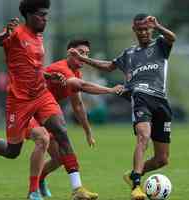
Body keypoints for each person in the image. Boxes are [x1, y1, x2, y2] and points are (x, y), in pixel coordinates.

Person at [0, 1, 85, 200]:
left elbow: (33, 68)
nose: (45, 18)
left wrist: (49, 77)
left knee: (60, 132)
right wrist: (4, 35)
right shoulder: (15, 33)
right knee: (13, 151)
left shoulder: (39, 36)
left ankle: (74, 189)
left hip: (41, 95)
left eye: (46, 15)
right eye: (40, 15)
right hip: (19, 101)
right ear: (28, 15)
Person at [69, 13, 176, 200]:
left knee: (162, 159)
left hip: (161, 101)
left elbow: (172, 38)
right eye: (140, 29)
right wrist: (84, 59)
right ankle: (136, 186)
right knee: (144, 136)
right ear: (134, 30)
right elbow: (108, 66)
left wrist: (158, 26)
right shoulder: (129, 53)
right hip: (140, 98)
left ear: (151, 29)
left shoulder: (160, 44)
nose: (144, 32)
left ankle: (132, 174)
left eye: (147, 29)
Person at [27, 39, 124, 199]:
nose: (84, 57)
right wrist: (110, 90)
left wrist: (88, 131)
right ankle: (34, 190)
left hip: (46, 116)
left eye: (86, 53)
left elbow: (78, 105)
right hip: (29, 112)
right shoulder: (61, 68)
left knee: (58, 158)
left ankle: (44, 182)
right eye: (80, 53)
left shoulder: (75, 72)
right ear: (70, 53)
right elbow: (83, 86)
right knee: (15, 149)